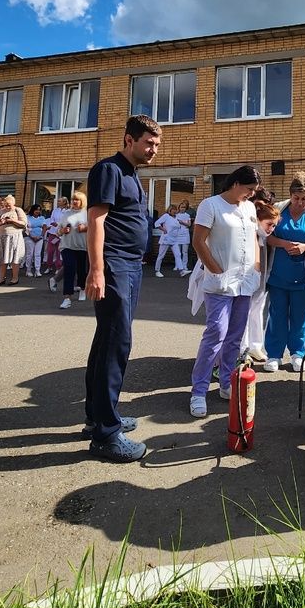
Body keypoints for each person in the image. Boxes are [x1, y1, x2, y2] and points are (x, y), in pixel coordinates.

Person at [84, 114, 162, 462]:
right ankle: (106, 435)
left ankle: (98, 416)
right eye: (148, 143)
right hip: (114, 265)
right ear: (129, 139)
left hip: (130, 266)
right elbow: (96, 222)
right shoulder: (109, 170)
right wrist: (97, 270)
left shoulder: (133, 174)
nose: (153, 150)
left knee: (107, 340)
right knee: (117, 342)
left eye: (157, 145)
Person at [189, 165, 261, 418]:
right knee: (216, 333)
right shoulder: (211, 205)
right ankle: (198, 390)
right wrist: (215, 269)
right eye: (249, 189)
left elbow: (254, 238)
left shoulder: (249, 207)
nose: (251, 195)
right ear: (235, 184)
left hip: (244, 281)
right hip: (220, 282)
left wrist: (257, 266)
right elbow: (198, 240)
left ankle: (227, 384)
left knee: (235, 336)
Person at [263, 171, 305, 374]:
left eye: (304, 198)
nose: (300, 202)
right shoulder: (278, 211)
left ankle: (298, 354)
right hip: (278, 276)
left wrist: (304, 248)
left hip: (303, 278)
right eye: (296, 198)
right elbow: (266, 237)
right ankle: (274, 354)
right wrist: (283, 243)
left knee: (301, 317)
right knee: (277, 315)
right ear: (290, 195)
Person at [242, 197, 280, 361]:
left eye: (274, 225)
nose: (271, 228)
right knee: (243, 314)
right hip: (247, 282)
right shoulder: (250, 234)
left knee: (257, 312)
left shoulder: (263, 236)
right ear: (258, 220)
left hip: (261, 282)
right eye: (269, 224)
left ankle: (255, 346)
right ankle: (242, 348)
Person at [58, 191, 89, 309]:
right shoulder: (66, 214)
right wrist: (63, 231)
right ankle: (67, 297)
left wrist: (85, 227)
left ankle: (82, 288)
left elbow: (95, 228)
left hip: (82, 247)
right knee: (69, 269)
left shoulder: (87, 213)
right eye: (73, 199)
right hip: (67, 246)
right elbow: (58, 229)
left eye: (77, 200)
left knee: (81, 270)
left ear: (82, 201)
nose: (74, 202)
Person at [0, 195, 27, 285]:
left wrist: (13, 221)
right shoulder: (0, 211)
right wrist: (1, 222)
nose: (7, 206)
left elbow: (24, 223)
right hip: (1, 237)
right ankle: (2, 278)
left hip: (15, 237)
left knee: (15, 258)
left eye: (9, 204)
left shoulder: (18, 210)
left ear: (13, 203)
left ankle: (15, 278)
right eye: (5, 204)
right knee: (2, 258)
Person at [153, 204, 186, 277]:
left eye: (175, 209)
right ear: (169, 210)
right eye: (173, 209)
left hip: (174, 240)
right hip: (166, 239)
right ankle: (157, 270)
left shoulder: (176, 218)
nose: (174, 211)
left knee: (178, 254)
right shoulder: (166, 216)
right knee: (161, 255)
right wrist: (163, 229)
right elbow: (156, 223)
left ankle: (181, 270)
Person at [45, 195, 68, 288]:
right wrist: (53, 223)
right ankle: (49, 266)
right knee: (50, 251)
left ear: (65, 202)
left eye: (60, 201)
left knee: (59, 252)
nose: (58, 202)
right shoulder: (55, 210)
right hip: (53, 232)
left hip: (61, 234)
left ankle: (58, 267)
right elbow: (52, 219)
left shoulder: (67, 211)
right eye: (58, 201)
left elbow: (65, 222)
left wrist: (58, 224)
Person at [24, 203, 47, 277]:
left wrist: (41, 236)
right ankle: (28, 270)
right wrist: (32, 237)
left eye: (39, 210)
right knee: (29, 254)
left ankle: (37, 271)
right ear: (33, 210)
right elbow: (26, 229)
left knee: (37, 255)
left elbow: (44, 227)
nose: (38, 211)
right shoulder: (27, 217)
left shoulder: (42, 218)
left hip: (39, 238)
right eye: (36, 210)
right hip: (30, 238)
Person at [173, 200, 192, 275]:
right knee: (178, 252)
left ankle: (184, 266)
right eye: (181, 207)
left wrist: (182, 222)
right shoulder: (176, 215)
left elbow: (189, 224)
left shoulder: (187, 215)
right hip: (178, 234)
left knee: (185, 252)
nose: (183, 209)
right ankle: (177, 265)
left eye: (184, 207)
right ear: (179, 208)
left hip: (185, 234)